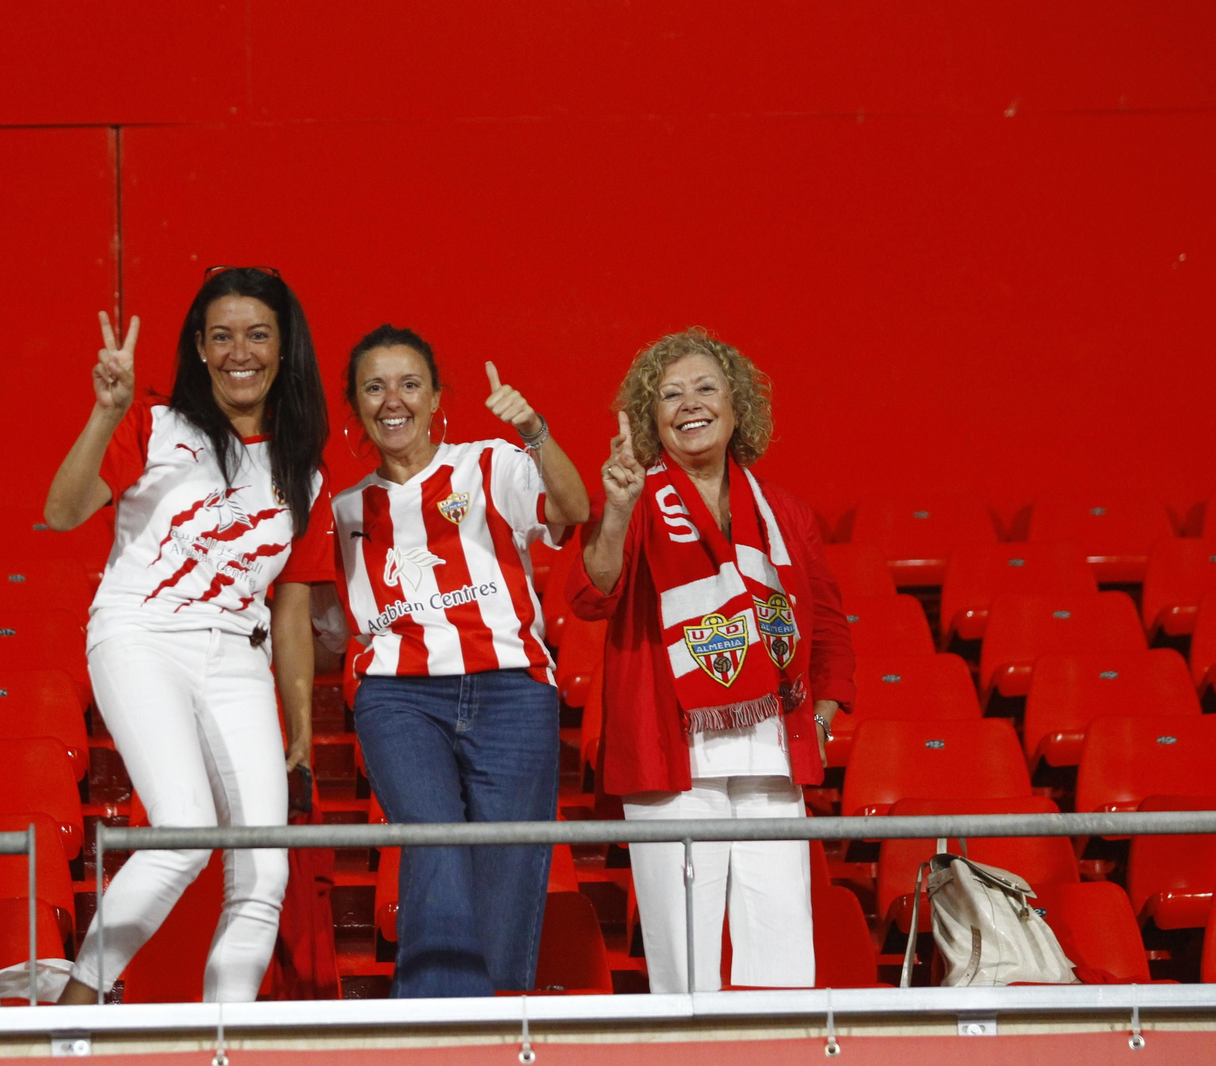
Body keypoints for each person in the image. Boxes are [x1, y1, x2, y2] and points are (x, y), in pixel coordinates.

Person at [43, 266, 331, 1004]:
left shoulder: (306, 471)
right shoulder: (154, 426)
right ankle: (74, 1014)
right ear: (199, 349)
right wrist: (105, 413)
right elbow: (64, 510)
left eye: (258, 334)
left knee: (264, 867)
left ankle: (223, 1041)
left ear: (283, 347)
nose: (241, 351)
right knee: (183, 831)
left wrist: (297, 719)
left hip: (238, 657)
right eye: (222, 335)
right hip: (141, 633)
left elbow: (292, 607)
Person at [565, 327, 855, 993]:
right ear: (651, 417)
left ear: (736, 406)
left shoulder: (784, 511)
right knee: (686, 968)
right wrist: (615, 512)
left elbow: (831, 624)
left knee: (784, 961)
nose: (689, 404)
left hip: (770, 755)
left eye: (704, 388)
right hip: (673, 758)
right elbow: (590, 596)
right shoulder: (635, 501)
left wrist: (824, 712)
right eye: (670, 394)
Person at [332, 325, 591, 998]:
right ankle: (436, 1032)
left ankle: (495, 1031)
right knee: (437, 843)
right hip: (399, 697)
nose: (394, 399)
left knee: (509, 862)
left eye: (410, 383)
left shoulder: (491, 463)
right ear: (355, 406)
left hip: (512, 690)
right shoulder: (342, 512)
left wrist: (534, 428)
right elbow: (325, 625)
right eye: (375, 386)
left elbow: (573, 506)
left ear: (438, 396)